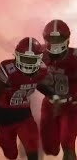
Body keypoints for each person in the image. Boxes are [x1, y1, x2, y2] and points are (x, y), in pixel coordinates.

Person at [0, 37, 57, 160]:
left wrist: (52, 95)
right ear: (17, 57)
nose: (28, 64)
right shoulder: (8, 72)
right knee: (10, 153)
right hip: (4, 117)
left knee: (32, 147)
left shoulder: (40, 72)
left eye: (32, 60)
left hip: (24, 115)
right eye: (25, 59)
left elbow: (38, 84)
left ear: (39, 60)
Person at [40, 19, 77, 160]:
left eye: (58, 39)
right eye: (51, 39)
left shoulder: (74, 58)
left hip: (71, 106)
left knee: (68, 145)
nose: (55, 44)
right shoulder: (39, 54)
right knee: (51, 149)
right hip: (49, 104)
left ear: (67, 41)